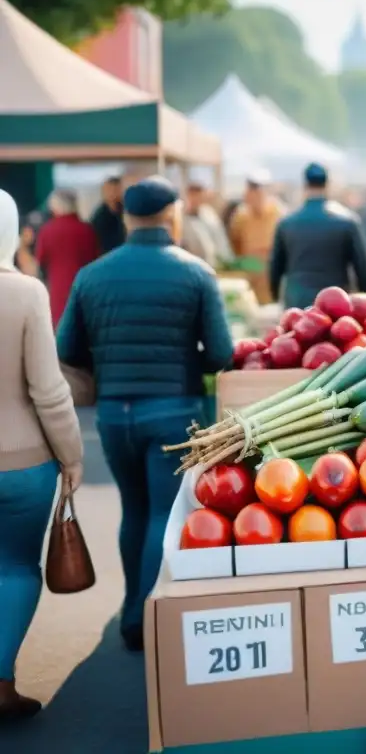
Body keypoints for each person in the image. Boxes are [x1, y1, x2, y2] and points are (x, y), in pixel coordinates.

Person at [57, 176, 233, 652]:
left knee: (132, 508)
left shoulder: (92, 274)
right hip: (174, 408)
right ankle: (148, 610)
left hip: (115, 413)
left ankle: (132, 605)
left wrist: (110, 362)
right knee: (163, 510)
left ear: (124, 216)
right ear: (173, 214)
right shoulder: (196, 273)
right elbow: (221, 353)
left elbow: (66, 348)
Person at [0, 188, 84, 721]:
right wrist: (72, 457)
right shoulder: (26, 293)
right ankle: (2, 681)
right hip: (22, 463)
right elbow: (48, 391)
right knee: (14, 568)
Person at [269, 163, 366, 309]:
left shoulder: (287, 223)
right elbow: (362, 265)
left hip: (297, 299)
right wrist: (364, 295)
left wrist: (274, 295)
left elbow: (276, 266)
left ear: (305, 185)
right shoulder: (347, 222)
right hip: (336, 301)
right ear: (327, 185)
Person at [34, 190, 100, 328]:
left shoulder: (47, 230)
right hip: (86, 291)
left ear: (55, 207)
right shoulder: (87, 230)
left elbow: (39, 261)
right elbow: (96, 260)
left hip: (57, 294)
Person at [229, 170, 286, 303]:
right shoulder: (241, 216)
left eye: (258, 191)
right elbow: (235, 243)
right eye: (251, 190)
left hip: (270, 274)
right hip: (249, 274)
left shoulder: (277, 213)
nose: (255, 195)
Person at [181, 182, 234, 267]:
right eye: (193, 196)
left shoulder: (210, 215)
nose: (196, 200)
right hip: (192, 266)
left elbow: (221, 241)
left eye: (198, 196)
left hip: (213, 265)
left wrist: (227, 262)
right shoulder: (182, 219)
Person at [90, 176, 126, 254]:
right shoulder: (99, 215)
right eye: (109, 190)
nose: (112, 193)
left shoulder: (126, 212)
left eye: (116, 190)